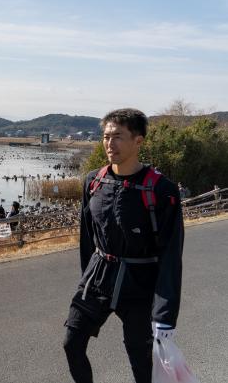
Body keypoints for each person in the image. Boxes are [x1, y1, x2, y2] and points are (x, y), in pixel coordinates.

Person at [63, 108, 184, 383]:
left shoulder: (161, 190)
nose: (109, 143)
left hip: (140, 282)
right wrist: (86, 278)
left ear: (138, 141)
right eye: (106, 137)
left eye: (117, 137)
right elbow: (87, 237)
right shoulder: (94, 181)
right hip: (99, 277)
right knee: (72, 343)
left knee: (140, 359)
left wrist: (165, 315)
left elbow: (170, 255)